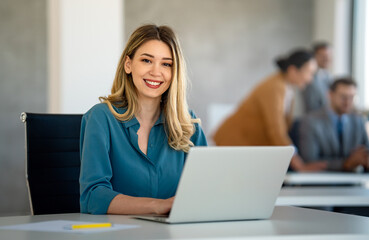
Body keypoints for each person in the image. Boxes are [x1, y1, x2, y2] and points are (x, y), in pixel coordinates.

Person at [79, 25, 207, 215]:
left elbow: (206, 189)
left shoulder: (188, 123)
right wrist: (158, 206)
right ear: (128, 64)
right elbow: (93, 197)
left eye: (166, 64)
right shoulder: (101, 118)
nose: (156, 72)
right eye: (147, 60)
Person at [213, 49, 326, 172]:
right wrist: (298, 164)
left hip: (247, 147)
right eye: (309, 73)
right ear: (293, 70)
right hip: (234, 143)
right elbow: (276, 129)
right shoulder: (275, 87)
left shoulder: (287, 88)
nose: (310, 79)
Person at [299, 78, 369, 172]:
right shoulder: (310, 121)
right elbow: (310, 161)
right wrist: (345, 163)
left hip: (354, 182)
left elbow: (365, 152)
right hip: (322, 182)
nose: (348, 102)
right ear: (330, 95)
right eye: (343, 97)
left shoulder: (358, 121)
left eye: (352, 97)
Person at [302, 42, 333, 113]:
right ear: (313, 56)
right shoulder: (308, 77)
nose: (327, 59)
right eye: (323, 56)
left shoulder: (327, 75)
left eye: (329, 55)